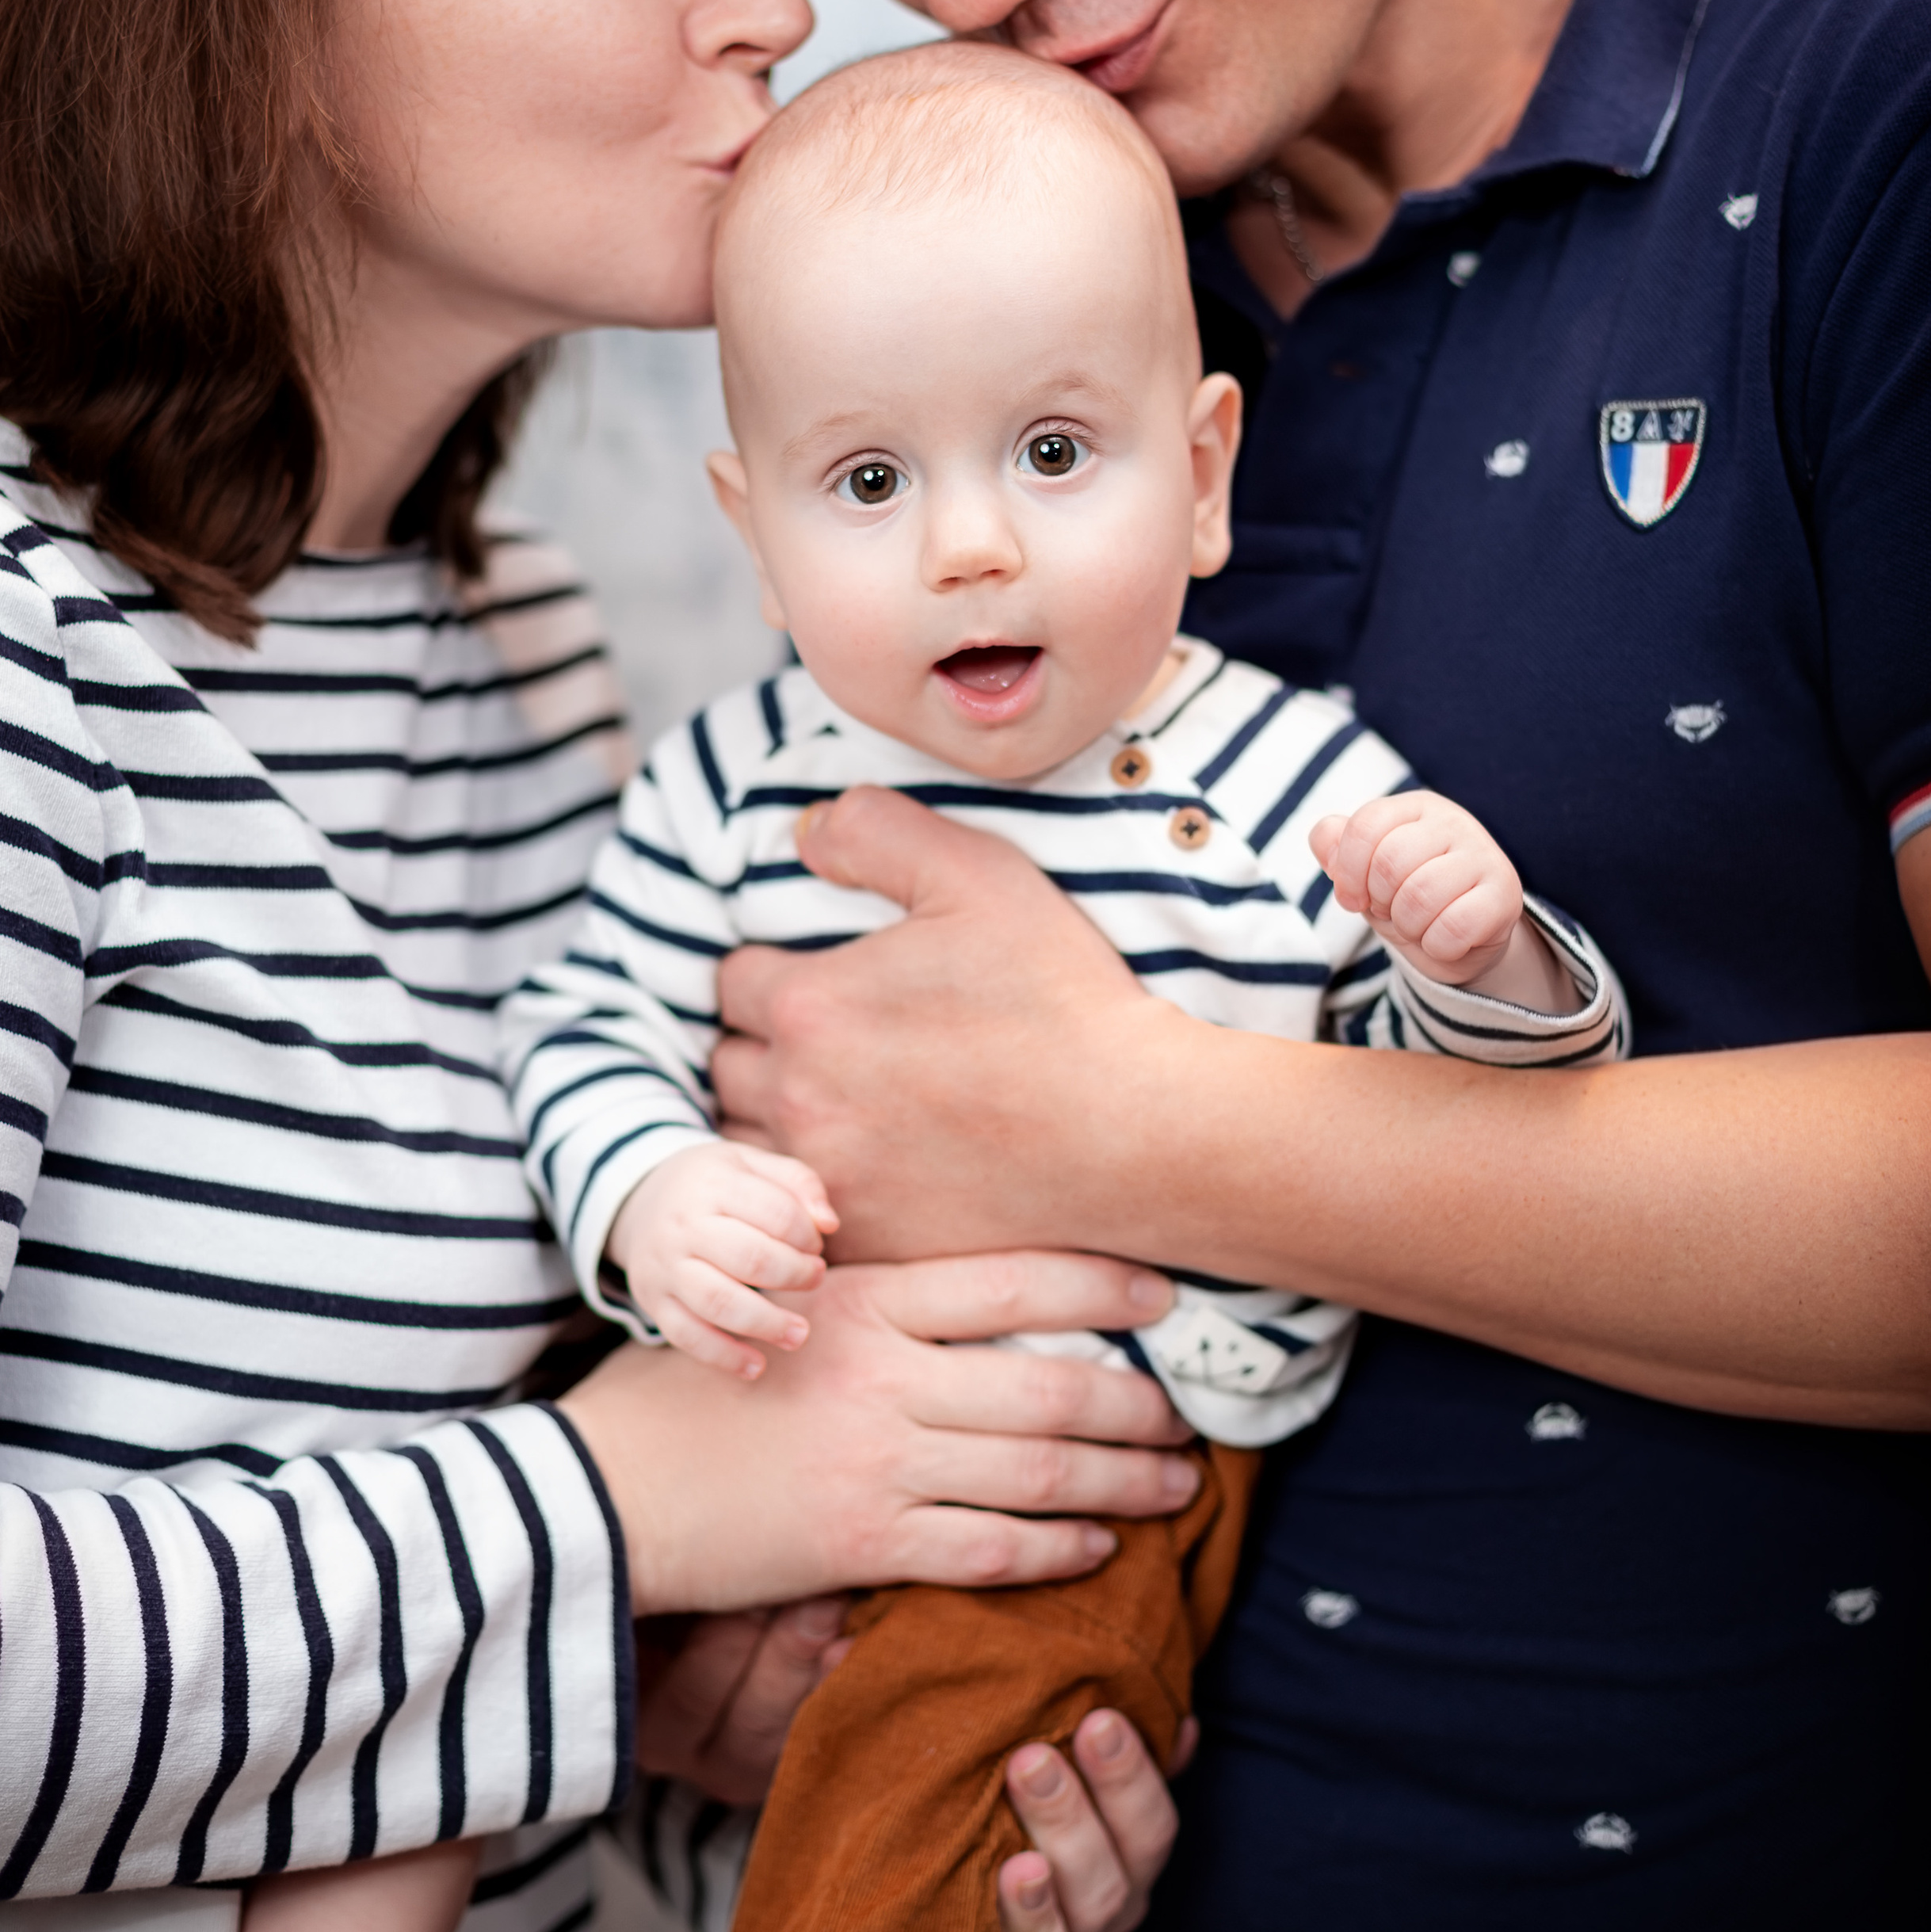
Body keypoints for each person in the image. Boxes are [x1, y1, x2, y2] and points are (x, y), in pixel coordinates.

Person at [703, 0, 1931, 1923]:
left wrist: (1127, 1129)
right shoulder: (1007, 253)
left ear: (1200, 465)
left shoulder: (1860, 118)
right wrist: (725, 1614)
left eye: (1056, 454)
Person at [0, 2, 1204, 1926]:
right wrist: (627, 1505)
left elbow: (441, 1679)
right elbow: (578, 1513)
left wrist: (780, 1759)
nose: (775, 16)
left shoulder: (522, 646)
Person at [499, 42, 1629, 1932]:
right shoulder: (731, 783)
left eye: (1049, 453)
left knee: (937, 1806)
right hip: (748, 1437)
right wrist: (650, 1189)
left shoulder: (1295, 786)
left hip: (1071, 1473)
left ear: (1199, 477)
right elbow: (580, 1026)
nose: (971, 546)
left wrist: (1479, 954)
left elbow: (1471, 1116)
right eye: (869, 479)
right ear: (755, 537)